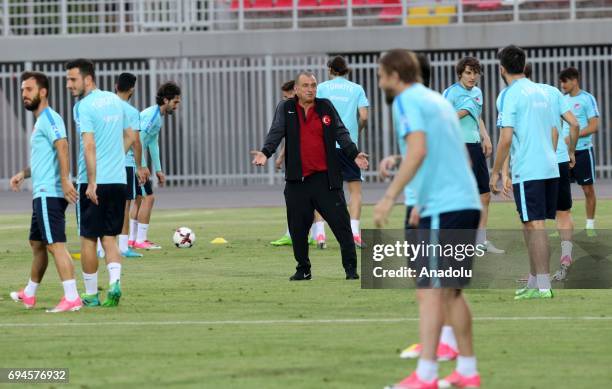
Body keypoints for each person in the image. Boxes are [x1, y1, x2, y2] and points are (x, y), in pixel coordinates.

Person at [374, 49, 482, 389]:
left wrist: (391, 197)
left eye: (381, 75)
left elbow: (418, 150)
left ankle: (426, 376)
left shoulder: (406, 101)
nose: (379, 82)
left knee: (431, 291)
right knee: (451, 292)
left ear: (394, 74)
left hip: (445, 206)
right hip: (463, 201)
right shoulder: (438, 100)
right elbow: (457, 154)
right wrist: (424, 197)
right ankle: (467, 371)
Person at [252, 71, 369, 281]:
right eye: (305, 86)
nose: (310, 89)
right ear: (296, 89)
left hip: (326, 181)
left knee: (342, 228)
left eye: (313, 85)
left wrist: (354, 154)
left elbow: (341, 133)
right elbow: (276, 132)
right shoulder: (286, 108)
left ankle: (351, 271)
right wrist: (265, 152)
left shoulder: (325, 107)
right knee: (298, 230)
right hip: (298, 182)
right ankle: (303, 269)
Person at [489, 46, 559, 301]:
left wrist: (495, 172)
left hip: (528, 168)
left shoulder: (509, 95)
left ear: (501, 69)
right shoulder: (541, 91)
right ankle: (533, 281)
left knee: (535, 224)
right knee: (529, 224)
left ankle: (543, 287)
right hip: (548, 166)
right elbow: (554, 130)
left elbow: (505, 138)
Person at [9, 71, 82, 313]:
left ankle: (72, 297)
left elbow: (62, 145)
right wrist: (23, 173)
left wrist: (65, 180)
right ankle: (29, 294)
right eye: (22, 91)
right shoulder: (41, 121)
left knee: (55, 245)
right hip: (41, 193)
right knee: (37, 244)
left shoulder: (50, 118)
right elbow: (44, 157)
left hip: (49, 193)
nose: (24, 95)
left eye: (28, 90)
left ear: (43, 92)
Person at [67, 58, 128, 307]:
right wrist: (115, 160)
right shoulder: (115, 101)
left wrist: (92, 182)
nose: (69, 85)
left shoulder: (83, 106)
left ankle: (91, 295)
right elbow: (129, 134)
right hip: (118, 180)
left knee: (88, 239)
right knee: (110, 237)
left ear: (88, 79)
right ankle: (115, 282)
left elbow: (89, 144)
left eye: (73, 79)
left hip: (93, 182)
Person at [524, 63, 580, 282]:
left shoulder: (517, 96)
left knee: (536, 220)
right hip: (560, 160)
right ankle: (566, 255)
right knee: (563, 212)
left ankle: (537, 273)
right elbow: (574, 125)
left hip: (535, 163)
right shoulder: (553, 91)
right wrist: (571, 151)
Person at [443, 57, 504, 254]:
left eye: (475, 73)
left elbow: (477, 116)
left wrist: (485, 137)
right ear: (460, 74)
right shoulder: (450, 93)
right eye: (468, 73)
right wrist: (464, 110)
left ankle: (480, 241)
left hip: (475, 147)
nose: (472, 76)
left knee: (484, 195)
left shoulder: (477, 92)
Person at [316, 56, 369, 248]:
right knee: (355, 190)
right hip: (349, 146)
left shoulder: (321, 87)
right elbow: (364, 116)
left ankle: (320, 234)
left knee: (321, 190)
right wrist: (357, 130)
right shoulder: (356, 89)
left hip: (326, 145)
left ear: (330, 69)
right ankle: (354, 232)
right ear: (347, 70)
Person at [130, 82, 182, 250]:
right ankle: (141, 239)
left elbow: (153, 144)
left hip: (132, 161)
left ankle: (132, 239)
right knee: (149, 198)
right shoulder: (152, 117)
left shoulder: (156, 117)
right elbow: (139, 140)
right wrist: (142, 167)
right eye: (175, 102)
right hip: (132, 161)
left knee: (138, 199)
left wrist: (158, 169)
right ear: (166, 100)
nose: (177, 106)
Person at [270, 80, 322, 248]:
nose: (285, 100)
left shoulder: (308, 110)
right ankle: (314, 234)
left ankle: (307, 234)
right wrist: (281, 157)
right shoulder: (291, 110)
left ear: (296, 92)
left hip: (308, 164)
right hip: (298, 163)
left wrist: (280, 157)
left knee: (301, 199)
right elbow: (291, 138)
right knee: (303, 199)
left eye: (287, 96)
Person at [559, 67, 600, 237]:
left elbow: (594, 126)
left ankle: (590, 226)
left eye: (565, 81)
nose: (562, 85)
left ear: (574, 80)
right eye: (561, 81)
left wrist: (572, 136)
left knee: (588, 189)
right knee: (561, 191)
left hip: (583, 151)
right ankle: (562, 225)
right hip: (563, 154)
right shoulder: (562, 99)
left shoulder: (587, 99)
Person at [116, 72, 149, 258]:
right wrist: (139, 166)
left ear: (115, 86)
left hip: (106, 162)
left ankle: (99, 247)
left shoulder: (107, 107)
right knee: (124, 205)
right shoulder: (131, 112)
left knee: (104, 204)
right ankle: (122, 246)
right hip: (126, 163)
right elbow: (135, 141)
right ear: (132, 89)